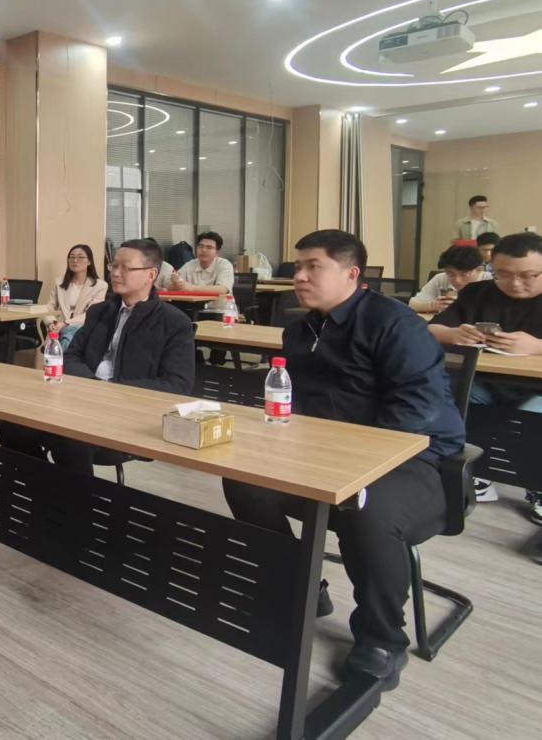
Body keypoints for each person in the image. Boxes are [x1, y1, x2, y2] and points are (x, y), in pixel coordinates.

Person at [222, 230, 464, 690]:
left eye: (313, 266)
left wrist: (352, 458)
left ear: (352, 273)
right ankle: (301, 588)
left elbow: (417, 408)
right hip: (326, 453)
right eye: (297, 267)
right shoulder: (300, 329)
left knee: (364, 508)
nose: (299, 276)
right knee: (245, 483)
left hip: (413, 457)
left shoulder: (394, 323)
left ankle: (382, 638)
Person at [0, 239, 195, 476]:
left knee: (70, 440)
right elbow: (70, 356)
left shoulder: (173, 323)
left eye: (125, 268)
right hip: (82, 403)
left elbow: (177, 384)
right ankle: (49, 491)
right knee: (12, 429)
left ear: (150, 275)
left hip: (131, 417)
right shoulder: (100, 312)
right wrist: (92, 387)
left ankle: (78, 498)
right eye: (114, 266)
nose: (116, 273)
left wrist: (113, 392)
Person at [428, 231, 542, 519]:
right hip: (486, 382)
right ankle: (475, 470)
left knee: (532, 419)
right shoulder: (477, 292)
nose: (515, 283)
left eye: (529, 275)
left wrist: (536, 347)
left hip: (536, 388)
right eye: (503, 274)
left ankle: (536, 485)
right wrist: (454, 333)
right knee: (453, 398)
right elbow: (430, 328)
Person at [43, 244, 108, 349]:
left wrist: (65, 323)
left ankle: (62, 352)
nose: (75, 260)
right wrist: (52, 323)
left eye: (80, 257)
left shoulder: (100, 286)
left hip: (83, 329)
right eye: (72, 257)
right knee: (67, 335)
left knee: (72, 333)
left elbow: (92, 314)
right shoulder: (59, 282)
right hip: (58, 329)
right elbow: (49, 307)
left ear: (89, 261)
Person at [409, 245, 490, 314]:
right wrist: (432, 306)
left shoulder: (490, 281)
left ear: (479, 269)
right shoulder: (440, 278)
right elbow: (412, 305)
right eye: (450, 274)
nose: (457, 280)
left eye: (464, 274)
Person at [168, 231, 234, 295]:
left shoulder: (224, 265)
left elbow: (223, 289)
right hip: (193, 302)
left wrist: (192, 288)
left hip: (218, 303)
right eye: (201, 246)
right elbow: (170, 285)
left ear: (217, 252)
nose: (204, 250)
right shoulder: (190, 264)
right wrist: (175, 284)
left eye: (209, 247)